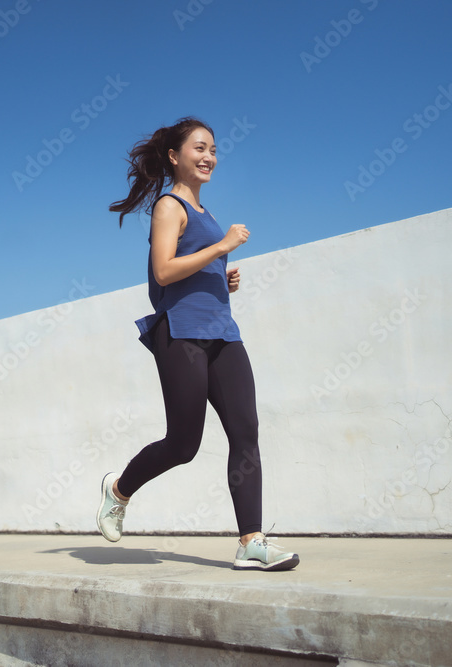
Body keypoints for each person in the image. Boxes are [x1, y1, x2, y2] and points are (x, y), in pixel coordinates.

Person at [98, 118, 298, 571]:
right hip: (181, 335)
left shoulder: (207, 214)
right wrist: (222, 247)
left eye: (213, 149)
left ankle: (251, 540)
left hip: (224, 333)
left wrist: (220, 275)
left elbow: (189, 267)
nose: (208, 156)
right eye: (199, 148)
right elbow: (165, 270)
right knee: (183, 444)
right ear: (174, 156)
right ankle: (118, 490)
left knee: (246, 433)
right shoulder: (169, 206)